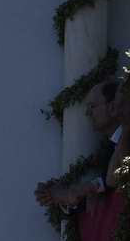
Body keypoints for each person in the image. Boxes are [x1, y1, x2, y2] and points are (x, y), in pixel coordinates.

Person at [33, 79, 122, 210]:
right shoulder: (111, 145)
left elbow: (115, 180)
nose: (87, 113)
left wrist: (70, 193)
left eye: (92, 105)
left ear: (113, 106)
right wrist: (63, 196)